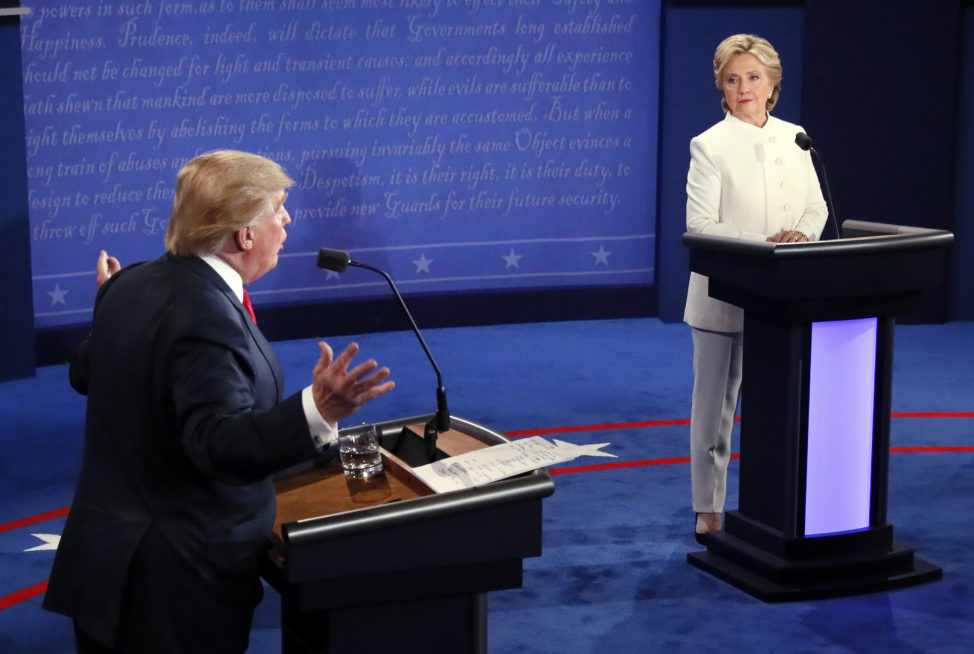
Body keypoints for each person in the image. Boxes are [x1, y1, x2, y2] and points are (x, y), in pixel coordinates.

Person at [43, 150, 395, 653]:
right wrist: (319, 410)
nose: (288, 219)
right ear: (243, 234)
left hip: (108, 565)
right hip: (173, 588)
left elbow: (86, 372)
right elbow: (218, 445)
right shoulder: (204, 313)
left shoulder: (129, 283)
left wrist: (117, 311)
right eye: (278, 208)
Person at [684, 35, 827, 538]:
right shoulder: (710, 144)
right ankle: (709, 509)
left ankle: (777, 507)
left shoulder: (796, 136)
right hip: (724, 294)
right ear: (721, 87)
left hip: (784, 299)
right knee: (715, 414)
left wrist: (801, 235)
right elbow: (700, 224)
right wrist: (764, 242)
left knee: (779, 412)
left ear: (772, 85)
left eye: (753, 78)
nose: (743, 88)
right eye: (732, 79)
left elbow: (817, 206)